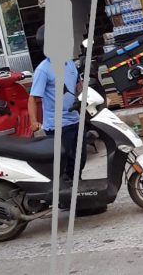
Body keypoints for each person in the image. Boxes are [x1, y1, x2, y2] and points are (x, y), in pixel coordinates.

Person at [28, 25, 85, 182]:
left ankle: (77, 187)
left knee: (80, 159)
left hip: (75, 119)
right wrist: (33, 121)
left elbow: (79, 86)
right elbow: (33, 98)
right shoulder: (43, 70)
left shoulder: (70, 64)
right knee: (66, 164)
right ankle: (65, 190)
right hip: (57, 126)